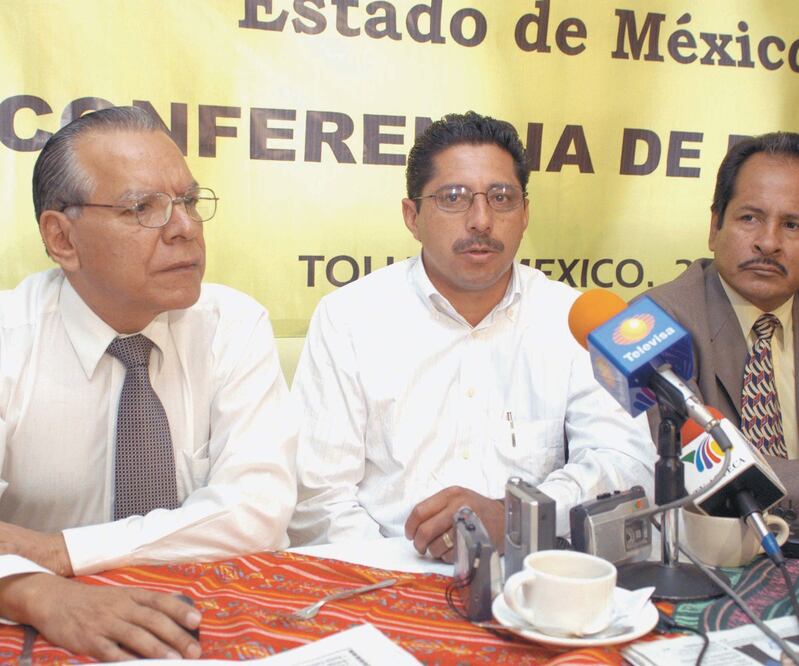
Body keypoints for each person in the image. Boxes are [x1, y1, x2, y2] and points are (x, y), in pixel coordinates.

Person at [289, 111, 655, 561]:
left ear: (525, 214)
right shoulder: (349, 318)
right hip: (383, 583)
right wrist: (406, 574)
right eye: (454, 198)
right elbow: (317, 498)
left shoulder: (574, 318)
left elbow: (627, 465)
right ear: (412, 216)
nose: (481, 219)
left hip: (537, 577)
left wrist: (519, 518)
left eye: (501, 198)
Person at [0, 106, 297, 660]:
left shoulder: (233, 324)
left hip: (205, 620)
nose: (184, 228)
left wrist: (64, 551)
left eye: (188, 202)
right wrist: (41, 593)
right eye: (143, 208)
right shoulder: (9, 340)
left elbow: (257, 510)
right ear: (61, 239)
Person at [645, 132, 799, 503]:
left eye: (793, 225)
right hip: (716, 548)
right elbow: (713, 471)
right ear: (715, 227)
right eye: (750, 218)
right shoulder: (657, 323)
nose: (769, 242)